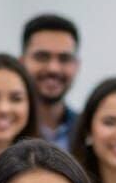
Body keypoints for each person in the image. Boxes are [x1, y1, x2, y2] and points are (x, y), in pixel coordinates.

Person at [19, 13, 80, 149]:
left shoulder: (89, 131)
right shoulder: (3, 130)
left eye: (64, 58)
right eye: (42, 57)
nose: (53, 69)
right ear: (21, 63)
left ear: (76, 66)